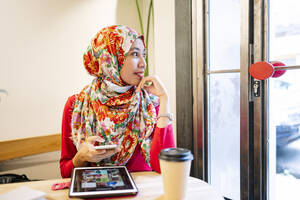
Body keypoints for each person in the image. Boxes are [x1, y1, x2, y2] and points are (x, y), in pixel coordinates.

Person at [60, 25, 175, 178]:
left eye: (144, 55)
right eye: (135, 54)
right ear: (110, 58)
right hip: (97, 193)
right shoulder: (76, 105)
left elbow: (168, 167)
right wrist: (82, 157)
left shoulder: (150, 105)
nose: (143, 63)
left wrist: (164, 100)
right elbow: (65, 173)